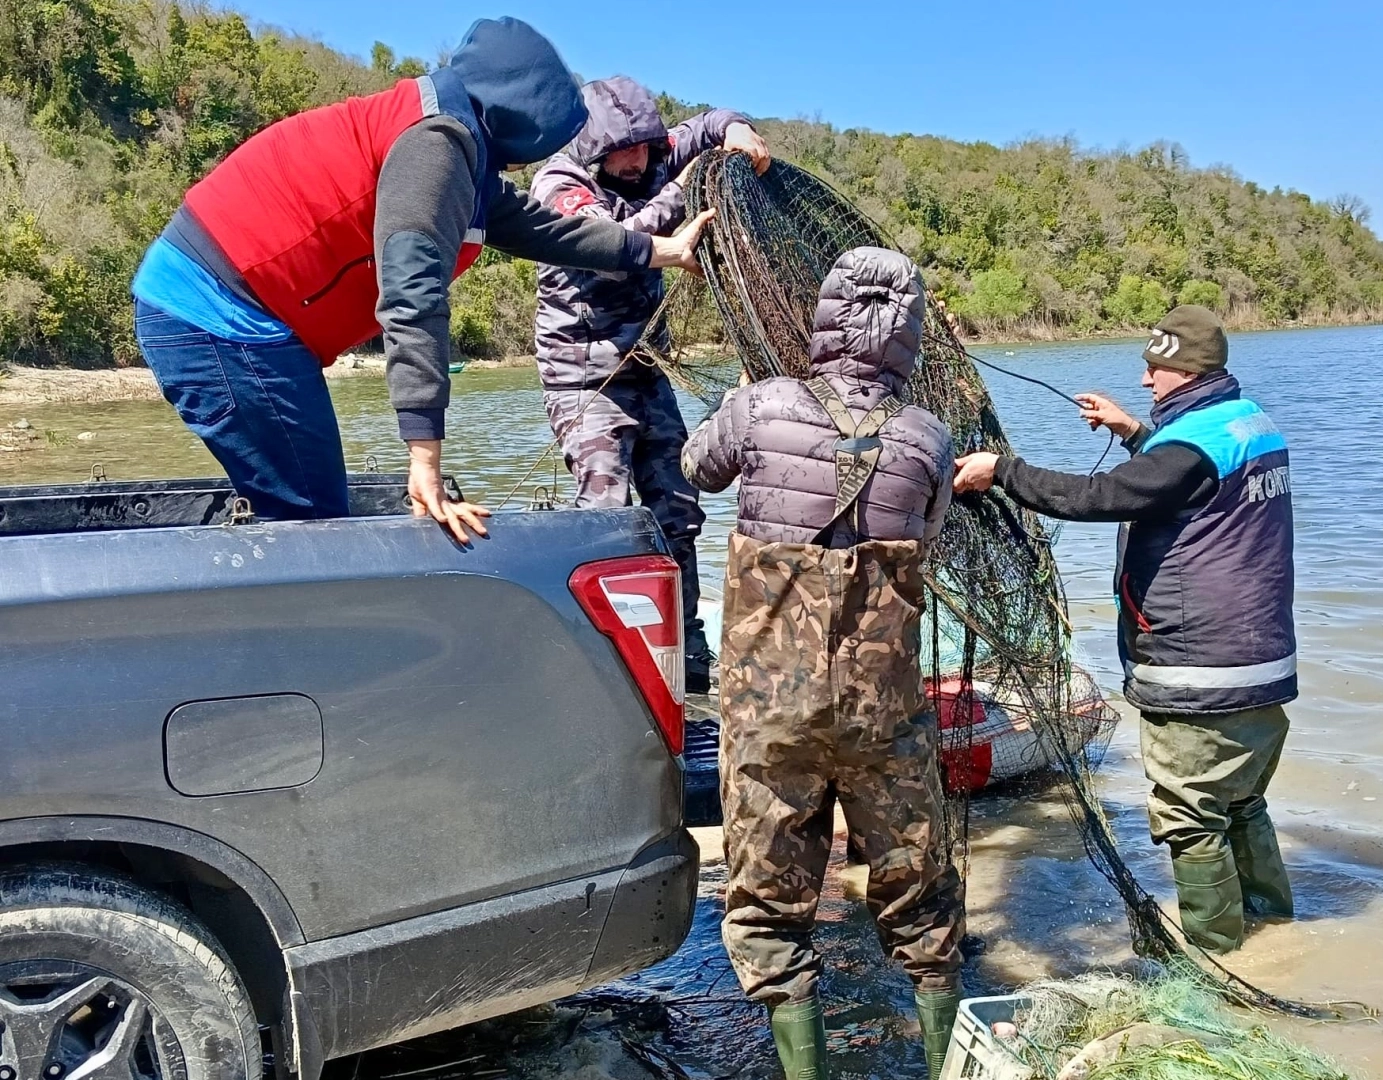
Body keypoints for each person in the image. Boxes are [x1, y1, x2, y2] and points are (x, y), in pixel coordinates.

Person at [129, 18, 712, 543]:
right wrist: (425, 460)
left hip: (249, 319)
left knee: (314, 513)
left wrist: (658, 250)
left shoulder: (458, 147)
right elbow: (413, 296)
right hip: (216, 314)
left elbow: (546, 231)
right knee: (310, 522)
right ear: (517, 115)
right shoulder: (436, 148)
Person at [681, 248, 965, 1080]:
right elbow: (930, 533)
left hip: (771, 711)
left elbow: (695, 469)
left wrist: (740, 402)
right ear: (909, 335)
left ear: (826, 318)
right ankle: (947, 1062)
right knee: (921, 897)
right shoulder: (928, 436)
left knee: (768, 905)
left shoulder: (760, 404)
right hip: (883, 714)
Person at [954, 304, 1296, 954]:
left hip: (1200, 669)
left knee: (1189, 816)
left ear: (1185, 371)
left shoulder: (1189, 447)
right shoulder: (1247, 422)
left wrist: (1003, 472)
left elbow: (1101, 496)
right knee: (1240, 802)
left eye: (1153, 369)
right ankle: (1276, 930)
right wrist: (1135, 432)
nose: (1144, 380)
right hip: (1262, 661)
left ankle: (1215, 957)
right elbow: (1186, 482)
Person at [530, 76, 768, 692]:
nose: (638, 160)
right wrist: (682, 193)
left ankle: (687, 652)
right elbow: (615, 248)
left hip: (646, 370)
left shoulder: (654, 153)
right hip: (584, 382)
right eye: (624, 152)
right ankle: (605, 664)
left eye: (644, 147)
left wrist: (737, 128)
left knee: (679, 510)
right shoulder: (560, 183)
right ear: (595, 148)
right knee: (606, 516)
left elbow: (710, 121)